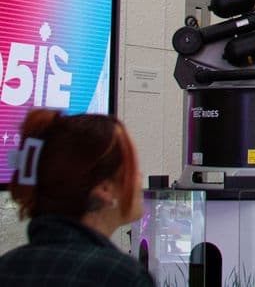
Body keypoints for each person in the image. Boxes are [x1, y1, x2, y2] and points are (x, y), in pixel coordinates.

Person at [0, 109, 154, 286]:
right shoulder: (122, 276)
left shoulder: (6, 266)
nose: (139, 177)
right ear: (104, 189)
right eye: (133, 169)